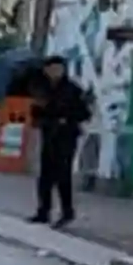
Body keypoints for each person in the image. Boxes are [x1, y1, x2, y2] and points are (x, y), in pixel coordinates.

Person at [29, 51, 91, 230]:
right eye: (52, 69)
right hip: (49, 134)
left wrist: (66, 119)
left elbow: (84, 113)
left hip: (66, 135)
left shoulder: (72, 90)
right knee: (45, 175)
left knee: (63, 174)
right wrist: (42, 120)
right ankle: (43, 210)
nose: (55, 72)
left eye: (59, 69)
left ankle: (67, 211)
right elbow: (36, 112)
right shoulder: (42, 90)